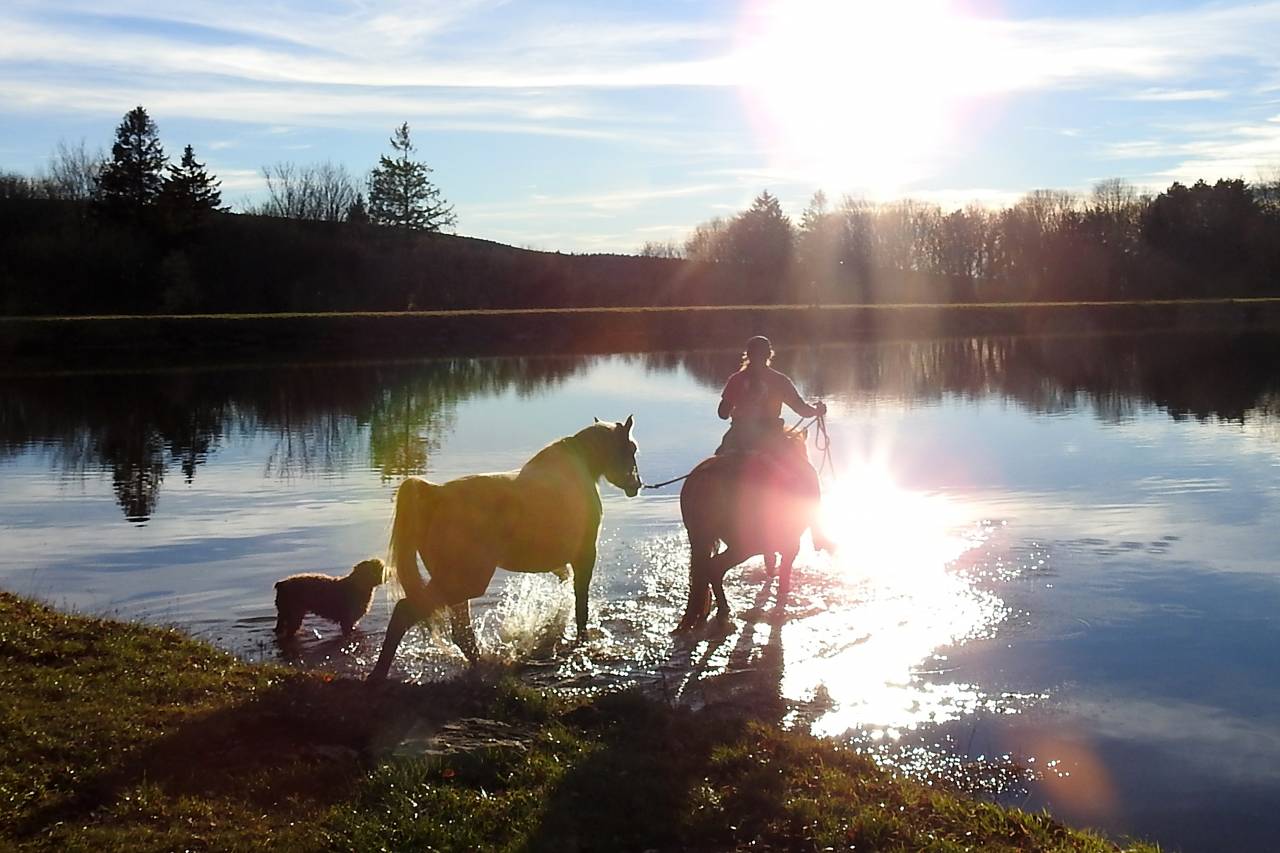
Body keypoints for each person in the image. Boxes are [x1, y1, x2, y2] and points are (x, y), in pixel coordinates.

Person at [716, 335, 834, 551]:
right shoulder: (779, 380)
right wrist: (817, 410)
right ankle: (818, 535)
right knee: (808, 475)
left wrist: (737, 403)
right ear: (769, 354)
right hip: (770, 439)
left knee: (714, 467)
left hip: (737, 436)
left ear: (748, 355)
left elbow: (722, 414)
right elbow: (801, 410)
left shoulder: (736, 380)